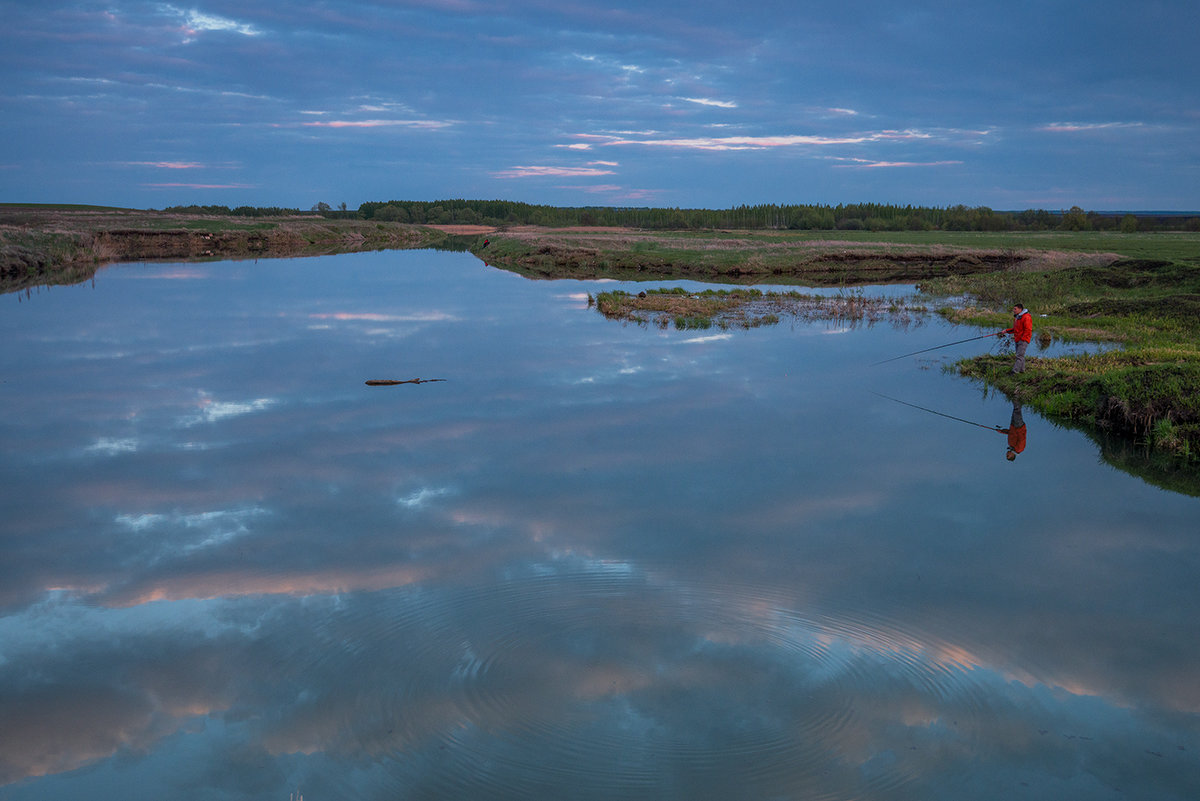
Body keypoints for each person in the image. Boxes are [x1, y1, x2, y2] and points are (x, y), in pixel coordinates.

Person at [998, 303, 1033, 374]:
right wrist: (1006, 331)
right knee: (1020, 356)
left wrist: (1023, 339)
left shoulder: (1026, 317)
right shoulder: (1017, 317)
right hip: (1018, 339)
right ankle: (1022, 371)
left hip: (1023, 340)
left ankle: (1014, 372)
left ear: (1020, 309)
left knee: (1019, 356)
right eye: (1013, 309)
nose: (1013, 310)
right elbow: (1015, 329)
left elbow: (1028, 330)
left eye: (1015, 309)